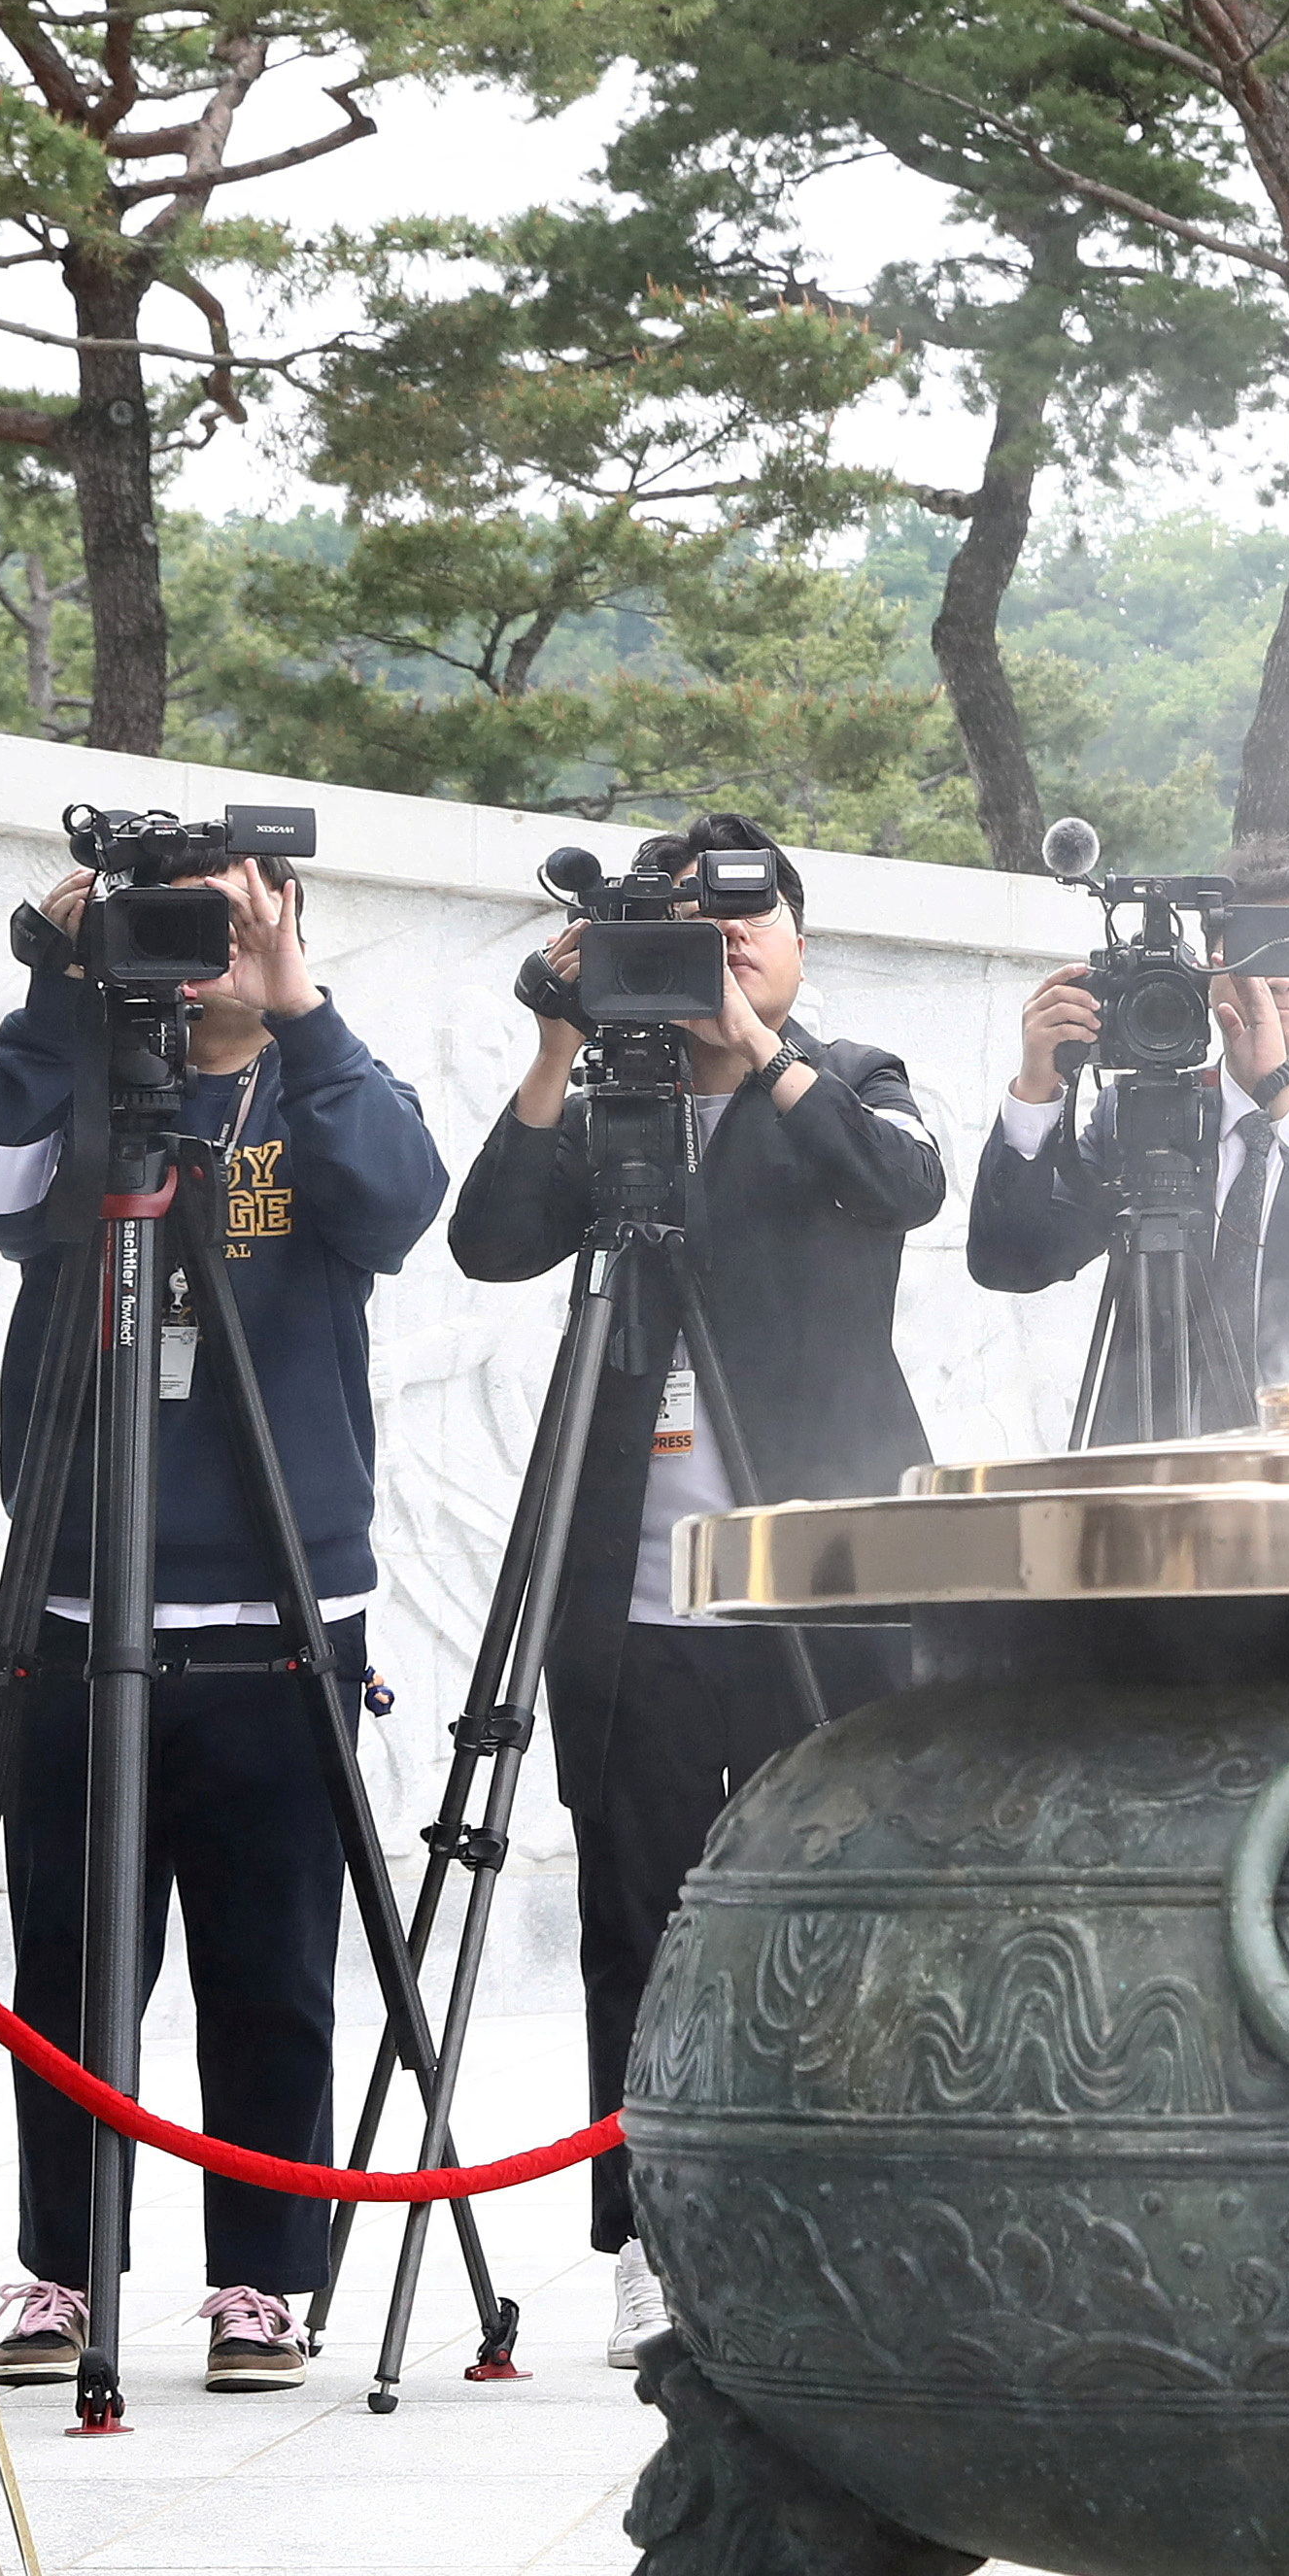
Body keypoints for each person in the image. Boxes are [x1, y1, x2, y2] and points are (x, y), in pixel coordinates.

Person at [0, 851, 447, 2394]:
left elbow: (402, 1205)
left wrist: (302, 1011)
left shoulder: (326, 1085)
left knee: (272, 1963)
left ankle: (264, 2279)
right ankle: (62, 2268)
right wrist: (55, 988)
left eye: (232, 919)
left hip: (288, 1604)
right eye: (178, 921)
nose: (202, 951)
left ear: (283, 923)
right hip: (84, 1594)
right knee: (74, 1966)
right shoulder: (82, 1075)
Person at [445, 818, 947, 2365]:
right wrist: (556, 1043)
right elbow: (487, 1241)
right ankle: (647, 2240)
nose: (723, 939)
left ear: (798, 938)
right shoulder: (611, 1104)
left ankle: (852, 2220)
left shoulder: (851, 1077)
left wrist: (753, 1047)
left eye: (751, 914)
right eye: (688, 921)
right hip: (639, 1598)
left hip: (820, 1585)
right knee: (637, 1922)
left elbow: (906, 1189)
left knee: (843, 1908)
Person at [968, 853, 1289, 1422]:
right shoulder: (1136, 1115)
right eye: (1253, 952)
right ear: (1208, 975)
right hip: (1151, 1481)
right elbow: (1010, 1262)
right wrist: (1036, 1089)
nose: (1277, 978)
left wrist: (1286, 1098)